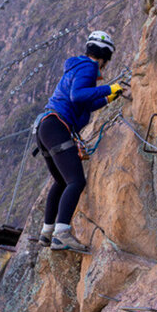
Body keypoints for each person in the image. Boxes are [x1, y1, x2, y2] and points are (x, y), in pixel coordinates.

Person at [34, 30, 128, 253]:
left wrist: (107, 97)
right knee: (76, 181)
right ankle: (61, 234)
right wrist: (109, 88)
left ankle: (46, 233)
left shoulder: (75, 68)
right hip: (57, 127)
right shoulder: (89, 66)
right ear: (104, 56)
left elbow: (82, 103)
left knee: (61, 181)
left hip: (45, 128)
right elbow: (79, 95)